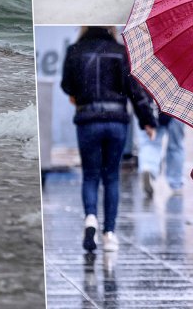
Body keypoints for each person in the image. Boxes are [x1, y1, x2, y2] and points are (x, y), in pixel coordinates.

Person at [61, 26, 156, 253]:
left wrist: (78, 94)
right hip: (116, 122)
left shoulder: (75, 50)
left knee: (90, 175)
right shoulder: (121, 52)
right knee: (111, 177)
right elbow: (134, 90)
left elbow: (67, 85)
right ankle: (109, 235)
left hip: (88, 120)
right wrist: (147, 120)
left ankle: (91, 218)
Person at [137, 111, 184, 197]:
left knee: (151, 143)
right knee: (175, 147)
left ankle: (148, 167)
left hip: (154, 109)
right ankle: (176, 184)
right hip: (178, 110)